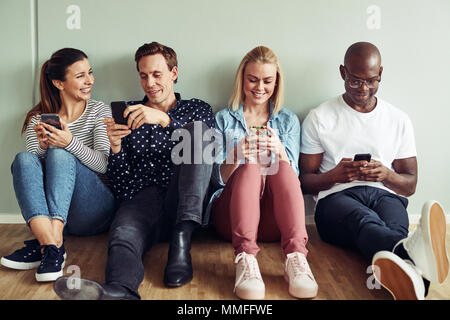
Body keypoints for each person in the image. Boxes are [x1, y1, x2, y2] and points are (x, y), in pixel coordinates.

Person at [54, 42, 215, 300]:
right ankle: (120, 290)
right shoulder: (128, 113)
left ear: (174, 73)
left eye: (157, 74)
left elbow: (210, 151)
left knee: (199, 134)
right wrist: (116, 149)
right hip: (143, 199)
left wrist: (165, 120)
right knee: (122, 234)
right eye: (143, 75)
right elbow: (121, 186)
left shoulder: (197, 109)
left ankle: (181, 242)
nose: (149, 83)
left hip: (183, 201)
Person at [299, 41, 448, 300]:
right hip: (336, 201)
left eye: (371, 81)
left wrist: (387, 175)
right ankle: (417, 253)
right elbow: (304, 182)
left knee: (391, 225)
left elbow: (410, 186)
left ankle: (413, 282)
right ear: (343, 73)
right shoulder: (320, 117)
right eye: (355, 81)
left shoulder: (398, 119)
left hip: (385, 195)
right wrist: (335, 175)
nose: (363, 89)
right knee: (365, 221)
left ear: (380, 74)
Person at [209, 46, 318, 300]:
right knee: (250, 166)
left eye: (267, 81)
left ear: (276, 83)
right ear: (242, 80)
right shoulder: (223, 120)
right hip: (230, 219)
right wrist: (236, 155)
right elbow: (215, 181)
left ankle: (297, 259)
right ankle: (246, 259)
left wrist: (280, 151)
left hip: (274, 223)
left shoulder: (288, 120)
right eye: (253, 79)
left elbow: (294, 181)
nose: (259, 87)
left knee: (281, 166)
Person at [0, 48, 116, 282]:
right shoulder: (38, 119)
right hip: (57, 217)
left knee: (61, 155)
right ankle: (53, 246)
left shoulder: (99, 111)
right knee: (24, 159)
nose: (90, 80)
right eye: (80, 75)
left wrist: (69, 142)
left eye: (90, 73)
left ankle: (44, 244)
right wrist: (43, 146)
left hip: (93, 211)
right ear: (58, 83)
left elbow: (104, 165)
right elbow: (32, 175)